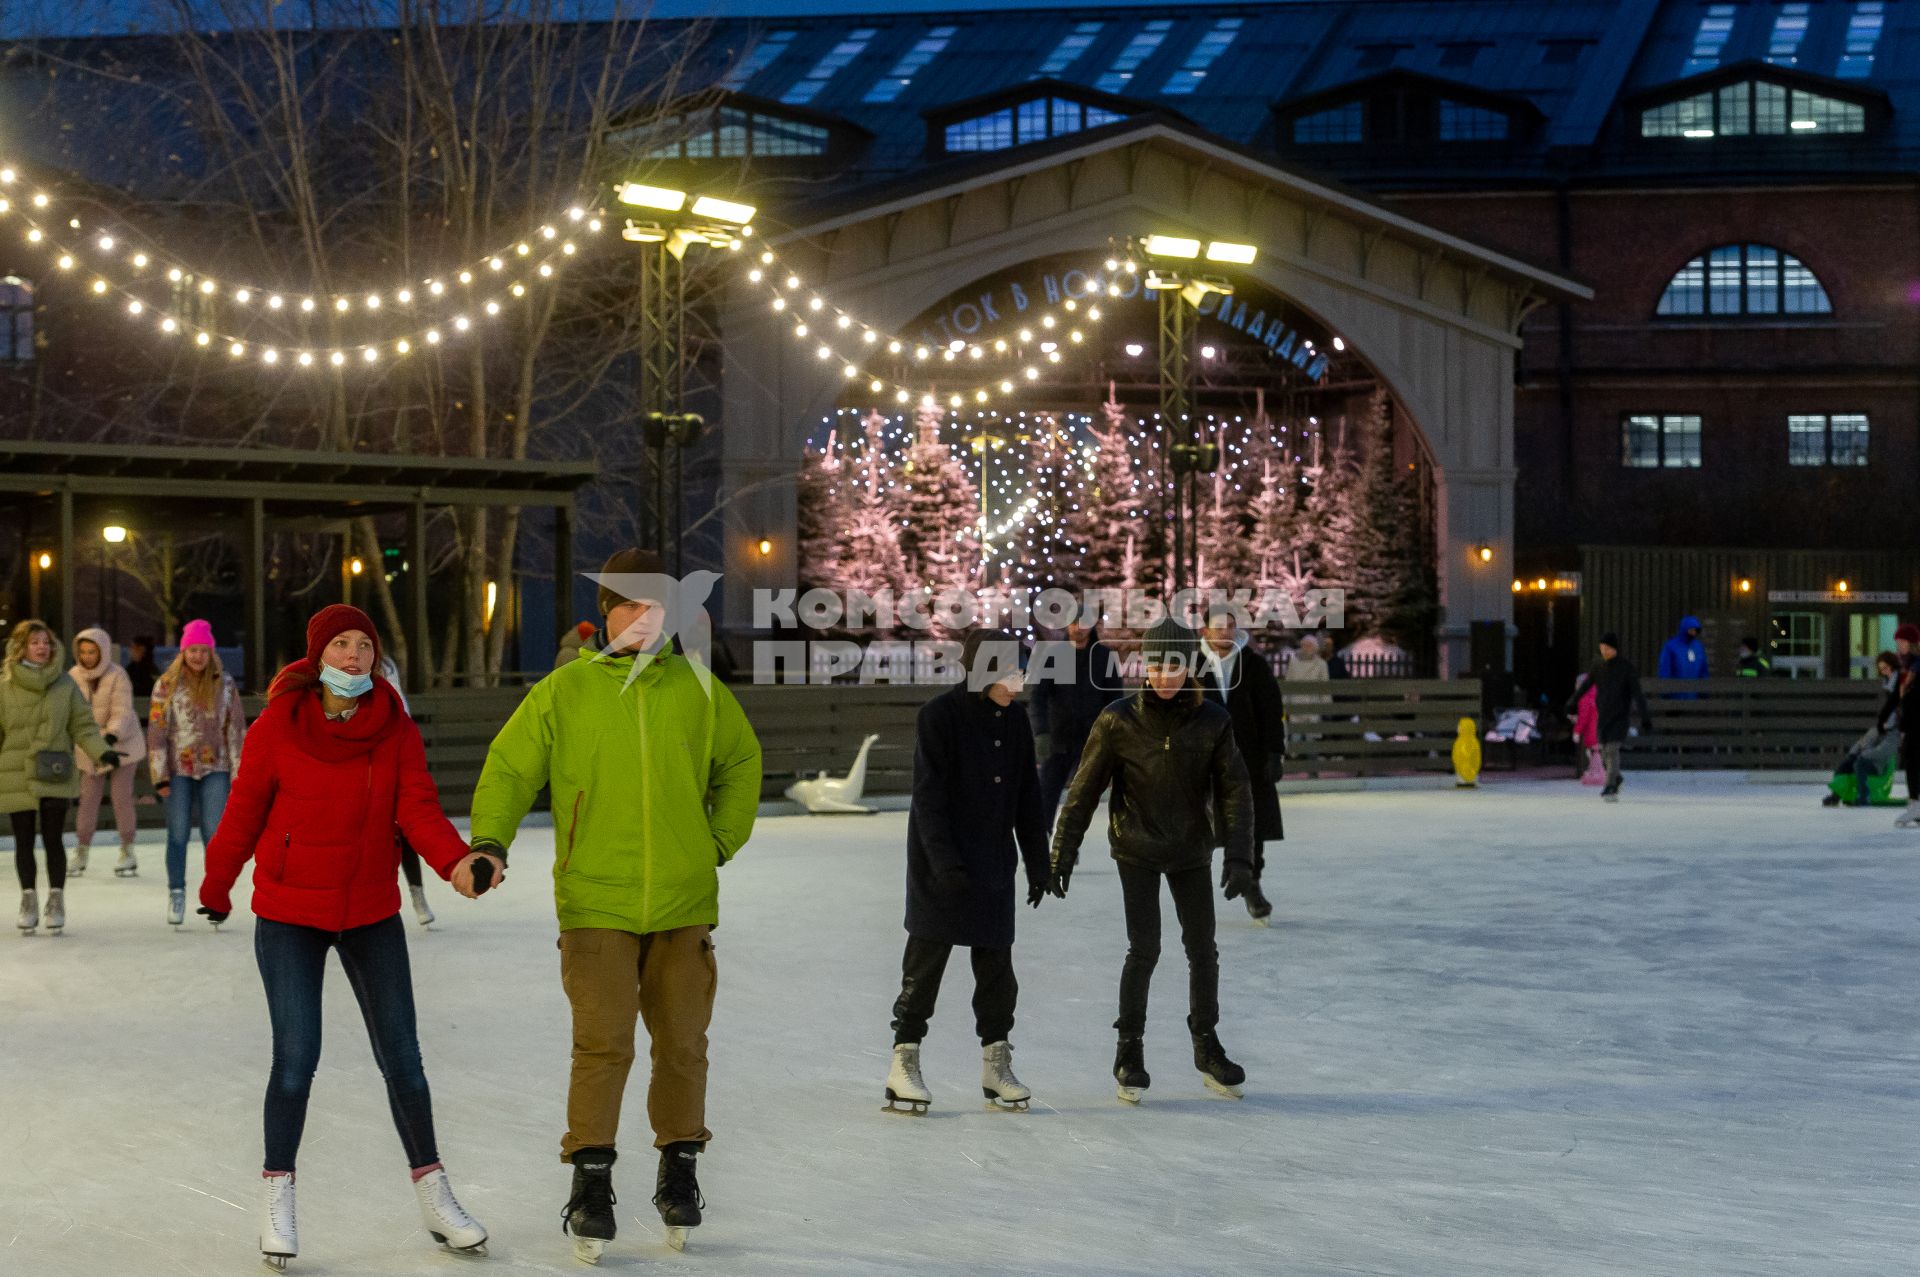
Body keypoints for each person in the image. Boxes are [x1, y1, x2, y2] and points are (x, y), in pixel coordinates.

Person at [468, 548, 762, 1262]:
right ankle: (592, 1181)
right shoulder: (565, 691)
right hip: (595, 900)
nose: (644, 618)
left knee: (684, 1044)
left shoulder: (698, 688)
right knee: (603, 1044)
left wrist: (714, 842)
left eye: (656, 606)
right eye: (630, 605)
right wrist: (489, 843)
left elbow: (742, 763)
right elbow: (510, 767)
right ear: (606, 615)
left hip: (683, 900)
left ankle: (679, 1170)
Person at [198, 604, 495, 1269]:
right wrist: (216, 886)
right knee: (297, 1059)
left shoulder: (394, 727)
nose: (355, 655)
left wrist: (455, 862)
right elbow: (243, 811)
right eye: (341, 643)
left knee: (405, 1060)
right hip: (288, 915)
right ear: (317, 655)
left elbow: (416, 803)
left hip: (368, 910)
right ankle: (278, 1195)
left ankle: (436, 1197)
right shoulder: (279, 724)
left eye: (365, 644)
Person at [1049, 617, 1255, 1104]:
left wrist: (1241, 855)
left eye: (1176, 666)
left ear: (1190, 668)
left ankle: (1206, 1045)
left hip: (1188, 849)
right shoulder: (1118, 719)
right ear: (1144, 665)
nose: (1166, 676)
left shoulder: (1212, 722)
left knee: (1202, 948)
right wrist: (1062, 851)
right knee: (1145, 948)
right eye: (1158, 664)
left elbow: (1235, 791)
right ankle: (1129, 1050)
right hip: (1136, 848)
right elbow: (1081, 793)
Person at [885, 629, 1049, 1116]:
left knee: (998, 971)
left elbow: (1026, 797)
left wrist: (1039, 862)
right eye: (1010, 673)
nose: (1018, 684)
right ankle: (903, 1061)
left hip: (994, 863)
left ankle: (995, 1065)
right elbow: (928, 799)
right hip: (942, 864)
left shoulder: (1016, 720)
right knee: (925, 965)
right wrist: (945, 864)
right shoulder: (940, 716)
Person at [5, 621, 122, 934]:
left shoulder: (64, 685)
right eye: (35, 643)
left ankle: (56, 899)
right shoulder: (4, 686)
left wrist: (102, 752)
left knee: (54, 837)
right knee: (24, 838)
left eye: (46, 641)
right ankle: (28, 899)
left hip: (53, 768)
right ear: (21, 647)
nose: (42, 647)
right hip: (16, 770)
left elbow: (82, 726)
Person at [147, 619, 246, 922]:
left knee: (214, 836)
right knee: (177, 834)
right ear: (184, 651)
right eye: (193, 650)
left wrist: (239, 774)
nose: (198, 656)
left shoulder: (225, 684)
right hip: (178, 770)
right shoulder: (166, 685)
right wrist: (159, 774)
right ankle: (176, 892)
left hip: (215, 768)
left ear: (211, 652)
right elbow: (156, 730)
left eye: (204, 650)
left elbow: (236, 730)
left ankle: (216, 896)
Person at [1196, 608, 1284, 924]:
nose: (1225, 632)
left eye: (1230, 626)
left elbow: (1271, 711)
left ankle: (1251, 883)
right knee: (1199, 826)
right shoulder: (1190, 666)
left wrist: (1275, 753)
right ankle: (1196, 896)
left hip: (1248, 758)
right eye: (1218, 627)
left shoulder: (1254, 665)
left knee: (1251, 824)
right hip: (1202, 762)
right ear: (1204, 632)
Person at [1025, 613, 1121, 824]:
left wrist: (1110, 734)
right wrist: (1041, 732)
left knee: (1085, 797)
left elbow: (1114, 698)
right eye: (1075, 622)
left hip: (1092, 739)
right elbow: (1038, 696)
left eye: (1084, 623)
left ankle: (1069, 843)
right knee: (1047, 794)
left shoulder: (1102, 656)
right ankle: (1042, 840)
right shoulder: (1054, 655)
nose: (1079, 628)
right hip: (1059, 738)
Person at [69, 626, 145, 876]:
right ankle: (82, 848)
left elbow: (122, 710)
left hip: (122, 744)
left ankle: (127, 849)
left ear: (102, 651)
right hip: (89, 745)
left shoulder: (118, 674)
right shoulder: (73, 676)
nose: (88, 656)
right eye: (83, 652)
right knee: (87, 799)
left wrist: (111, 736)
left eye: (92, 651)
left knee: (121, 797)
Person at [378, 654, 436, 928]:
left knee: (405, 832)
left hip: (393, 760)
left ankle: (417, 895)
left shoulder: (387, 670)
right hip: (363, 766)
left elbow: (401, 713)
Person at [1568, 632, 1651, 802]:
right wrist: (1572, 702)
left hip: (1620, 717)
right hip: (1603, 717)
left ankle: (1610, 785)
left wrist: (1645, 717)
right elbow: (1586, 686)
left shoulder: (1625, 667)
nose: (1604, 651)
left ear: (1614, 649)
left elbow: (1637, 694)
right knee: (1605, 753)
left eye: (1607, 648)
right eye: (1602, 648)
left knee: (1612, 750)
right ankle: (1617, 777)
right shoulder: (1598, 666)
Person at [1823, 650, 1900, 808]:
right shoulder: (1880, 726)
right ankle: (1836, 794)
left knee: (1860, 762)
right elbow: (1867, 740)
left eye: (1887, 668)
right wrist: (1854, 752)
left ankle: (1863, 795)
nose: (1885, 672)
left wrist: (1863, 754)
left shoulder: (1895, 731)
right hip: (1872, 751)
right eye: (1882, 669)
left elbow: (1884, 752)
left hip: (1878, 764)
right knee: (1848, 762)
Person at [1891, 625, 1920, 828]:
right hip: (1910, 723)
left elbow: (1910, 700)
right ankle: (1915, 803)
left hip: (1916, 723)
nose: (1899, 646)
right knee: (1911, 760)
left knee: (1913, 760)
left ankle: (1916, 803)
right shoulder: (1906, 666)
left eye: (1902, 642)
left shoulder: (1916, 666)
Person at [1656, 615, 1709, 691]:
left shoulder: (1698, 647)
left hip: (1695, 696)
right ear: (1684, 629)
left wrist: (1705, 692)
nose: (1693, 633)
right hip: (1675, 695)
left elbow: (1703, 670)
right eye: (1691, 630)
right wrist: (1665, 691)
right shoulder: (1671, 646)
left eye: (1695, 630)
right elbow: (1665, 669)